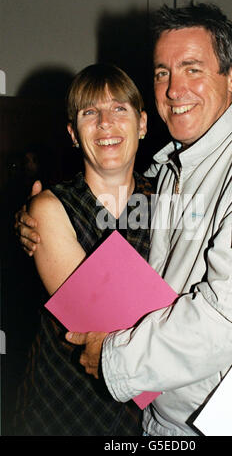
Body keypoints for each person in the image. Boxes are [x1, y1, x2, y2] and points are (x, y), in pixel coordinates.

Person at [15, 2, 232, 436]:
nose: (174, 88)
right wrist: (230, 340)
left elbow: (231, 314)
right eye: (163, 73)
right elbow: (112, 308)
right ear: (73, 131)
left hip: (210, 417)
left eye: (192, 69)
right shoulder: (165, 177)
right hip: (87, 405)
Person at [13, 63, 151, 436]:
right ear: (74, 134)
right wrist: (223, 343)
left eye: (119, 108)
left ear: (142, 124)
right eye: (90, 112)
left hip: (142, 419)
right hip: (63, 408)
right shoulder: (49, 208)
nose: (106, 122)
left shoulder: (168, 198)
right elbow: (107, 323)